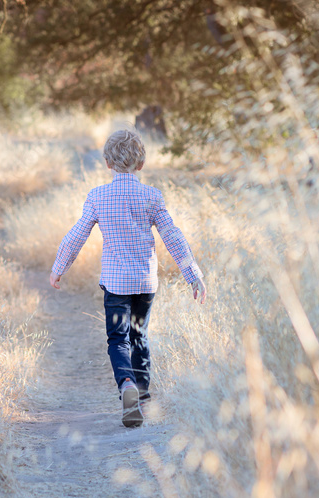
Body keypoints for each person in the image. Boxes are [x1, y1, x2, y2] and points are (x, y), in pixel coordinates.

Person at [49, 129, 207, 428]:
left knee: (118, 339)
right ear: (141, 163)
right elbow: (172, 236)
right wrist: (193, 274)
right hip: (145, 283)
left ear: (107, 163)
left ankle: (127, 385)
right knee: (139, 335)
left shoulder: (97, 196)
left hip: (116, 282)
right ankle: (143, 398)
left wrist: (60, 266)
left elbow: (77, 235)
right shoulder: (152, 196)